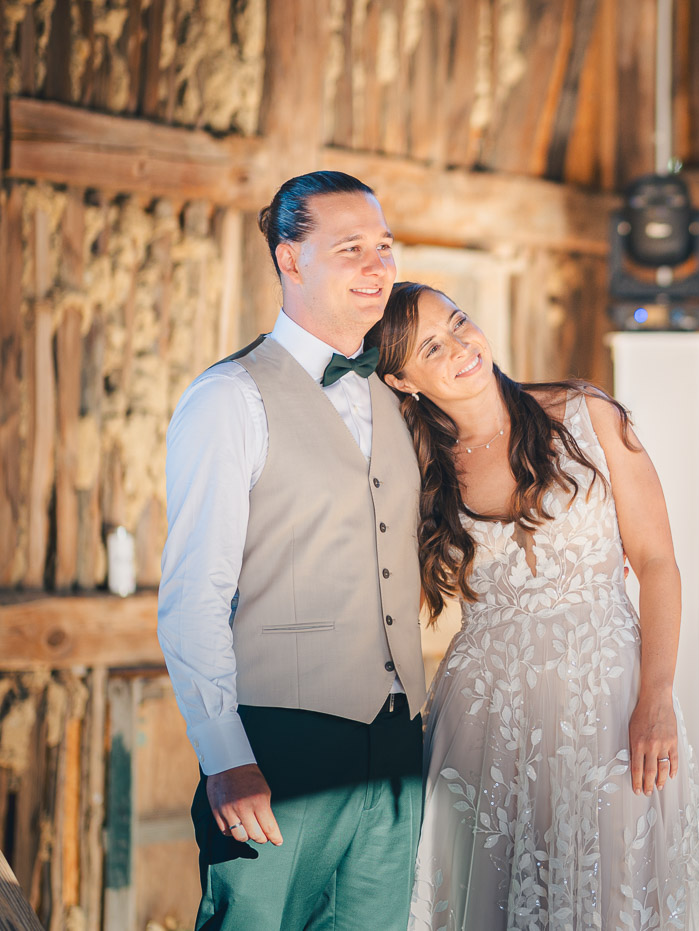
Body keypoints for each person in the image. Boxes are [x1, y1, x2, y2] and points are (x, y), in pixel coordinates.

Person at [368, 282, 699, 930]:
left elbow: (658, 563)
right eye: (432, 347)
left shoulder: (588, 415)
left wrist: (657, 696)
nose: (461, 347)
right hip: (486, 721)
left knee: (612, 892)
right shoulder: (420, 469)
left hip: (608, 703)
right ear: (401, 381)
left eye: (459, 323)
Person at [157, 171, 426, 930]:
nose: (377, 266)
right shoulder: (229, 397)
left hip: (395, 747)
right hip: (276, 743)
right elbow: (194, 594)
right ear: (290, 259)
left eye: (384, 246)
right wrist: (224, 755)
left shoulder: (398, 396)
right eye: (351, 248)